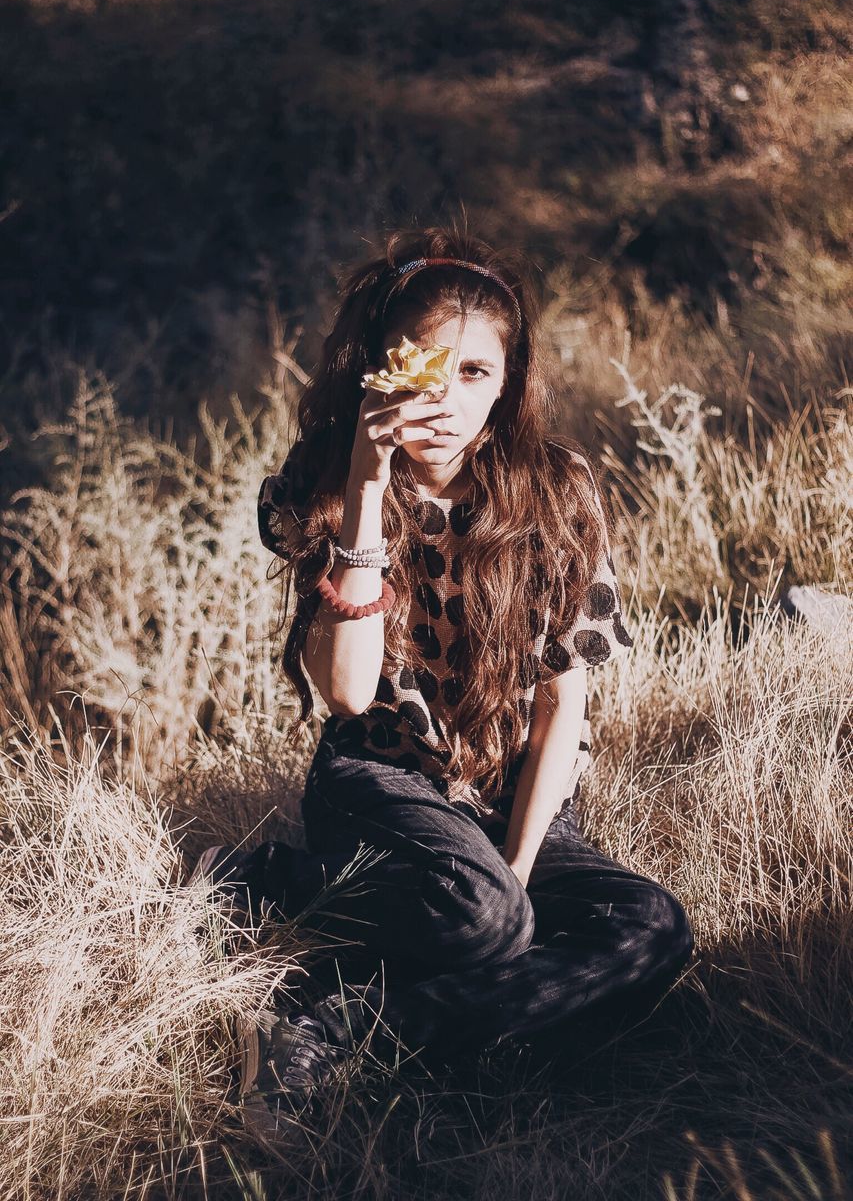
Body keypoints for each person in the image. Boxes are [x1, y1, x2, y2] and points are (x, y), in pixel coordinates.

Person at [194, 222, 694, 1149]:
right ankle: (295, 915)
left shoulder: (560, 491)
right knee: (489, 920)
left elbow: (562, 706)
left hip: (511, 789)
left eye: (474, 374)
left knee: (649, 924)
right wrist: (369, 481)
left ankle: (352, 1015)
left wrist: (519, 868)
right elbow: (344, 697)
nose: (448, 400)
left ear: (505, 388)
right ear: (381, 375)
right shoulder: (324, 487)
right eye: (424, 370)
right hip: (380, 784)